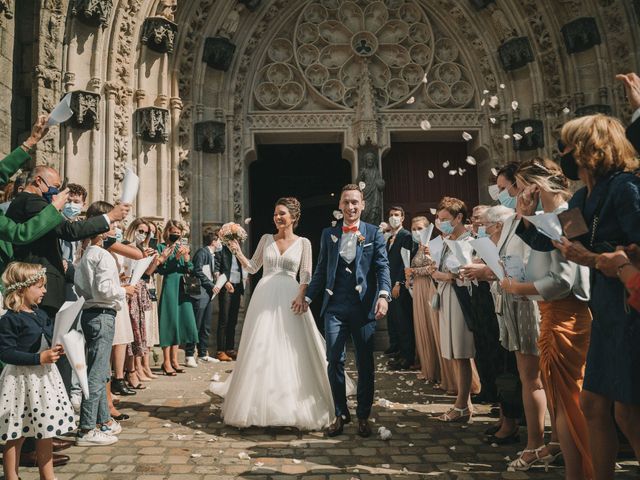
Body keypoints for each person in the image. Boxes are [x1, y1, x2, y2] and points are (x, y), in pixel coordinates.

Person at [520, 114, 640, 478]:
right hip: (605, 313)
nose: (564, 153)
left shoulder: (625, 188)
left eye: (568, 145)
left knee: (628, 412)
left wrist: (597, 258)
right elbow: (564, 240)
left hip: (628, 312)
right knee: (592, 403)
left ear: (590, 149)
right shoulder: (584, 196)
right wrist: (525, 218)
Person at [210, 197, 349, 430]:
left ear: (293, 217)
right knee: (262, 345)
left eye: (282, 213)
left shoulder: (304, 242)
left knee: (291, 347)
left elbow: (306, 274)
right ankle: (256, 403)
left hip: (291, 295)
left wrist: (302, 295)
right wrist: (237, 251)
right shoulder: (266, 239)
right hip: (264, 295)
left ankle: (291, 401)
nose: (277, 217)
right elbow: (253, 267)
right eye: (275, 213)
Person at [500, 158, 593, 477]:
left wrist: (519, 287)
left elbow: (563, 280)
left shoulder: (567, 216)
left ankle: (577, 470)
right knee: (559, 397)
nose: (519, 195)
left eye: (521, 188)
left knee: (567, 401)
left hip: (564, 317)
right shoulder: (545, 218)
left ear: (536, 187)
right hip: (548, 311)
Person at [304, 184, 391, 437]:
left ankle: (363, 415)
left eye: (355, 202)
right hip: (335, 307)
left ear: (362, 205)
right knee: (334, 360)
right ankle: (340, 414)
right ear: (340, 206)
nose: (351, 207)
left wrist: (384, 296)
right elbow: (321, 270)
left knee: (365, 363)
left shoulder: (373, 233)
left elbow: (382, 268)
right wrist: (308, 297)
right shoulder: (328, 234)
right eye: (346, 202)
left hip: (364, 308)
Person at [5, 165, 130, 317]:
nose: (56, 192)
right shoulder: (32, 201)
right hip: (38, 283)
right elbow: (69, 230)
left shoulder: (25, 201)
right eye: (55, 187)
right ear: (38, 181)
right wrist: (109, 217)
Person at [0, 262, 75, 480]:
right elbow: (6, 352)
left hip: (44, 381)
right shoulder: (10, 320)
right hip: (21, 382)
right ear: (22, 289)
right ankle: (11, 476)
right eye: (40, 286)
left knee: (46, 430)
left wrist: (58, 346)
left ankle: (47, 474)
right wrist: (37, 358)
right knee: (17, 433)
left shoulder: (39, 314)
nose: (44, 291)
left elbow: (50, 335)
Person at [74, 201, 138, 446]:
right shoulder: (101, 255)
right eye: (112, 224)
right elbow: (105, 289)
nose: (116, 228)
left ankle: (102, 421)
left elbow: (83, 287)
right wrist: (125, 290)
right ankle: (87, 428)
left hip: (91, 313)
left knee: (99, 372)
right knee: (98, 372)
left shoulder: (87, 253)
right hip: (102, 314)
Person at [431, 197, 477, 423]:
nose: (442, 224)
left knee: (462, 351)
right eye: (439, 220)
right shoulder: (448, 240)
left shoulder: (468, 240)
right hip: (447, 296)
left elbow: (469, 273)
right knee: (455, 352)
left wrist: (447, 276)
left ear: (459, 217)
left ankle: (462, 405)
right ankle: (464, 403)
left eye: (446, 219)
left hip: (461, 298)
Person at [153, 220, 198, 375]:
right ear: (167, 232)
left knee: (179, 322)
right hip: (170, 286)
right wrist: (172, 258)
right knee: (169, 320)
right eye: (173, 232)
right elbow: (161, 270)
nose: (176, 234)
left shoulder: (182, 247)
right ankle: (166, 362)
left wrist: (185, 258)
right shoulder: (161, 247)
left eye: (179, 232)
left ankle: (174, 360)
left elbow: (190, 269)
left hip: (182, 287)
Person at [385, 206, 416, 370]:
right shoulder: (390, 237)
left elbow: (405, 262)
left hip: (399, 285)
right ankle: (399, 352)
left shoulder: (406, 236)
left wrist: (398, 283)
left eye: (396, 215)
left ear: (403, 217)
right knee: (395, 320)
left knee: (403, 321)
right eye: (391, 215)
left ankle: (407, 357)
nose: (393, 217)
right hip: (389, 283)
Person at [185, 228, 221, 366]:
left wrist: (216, 274)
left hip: (208, 293)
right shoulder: (202, 252)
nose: (220, 244)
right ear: (214, 241)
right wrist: (211, 284)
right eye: (219, 241)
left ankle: (202, 353)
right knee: (196, 322)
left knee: (205, 324)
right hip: (200, 292)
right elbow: (197, 270)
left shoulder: (212, 255)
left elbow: (210, 270)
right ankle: (189, 354)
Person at [216, 228, 245, 362]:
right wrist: (225, 282)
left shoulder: (238, 252)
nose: (235, 241)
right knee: (224, 319)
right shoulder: (222, 251)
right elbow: (216, 269)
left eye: (237, 239)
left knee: (233, 319)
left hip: (237, 286)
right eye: (233, 239)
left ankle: (230, 349)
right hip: (227, 286)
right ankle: (220, 350)